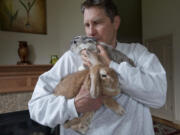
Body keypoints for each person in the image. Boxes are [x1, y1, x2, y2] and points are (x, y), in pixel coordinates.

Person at [28, 0, 167, 135]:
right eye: (87, 25)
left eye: (97, 23)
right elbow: (36, 107)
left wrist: (109, 66)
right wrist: (74, 106)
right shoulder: (71, 58)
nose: (90, 32)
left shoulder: (137, 53)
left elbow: (159, 97)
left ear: (116, 22)